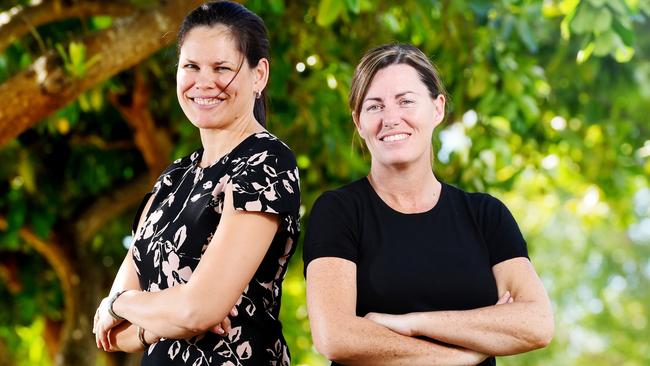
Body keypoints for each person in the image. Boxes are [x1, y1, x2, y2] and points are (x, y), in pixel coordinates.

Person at [303, 44, 554, 365]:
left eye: (406, 101)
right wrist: (462, 356)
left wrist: (411, 323)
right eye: (374, 107)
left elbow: (537, 324)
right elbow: (336, 338)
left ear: (438, 109)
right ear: (358, 121)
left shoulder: (486, 215)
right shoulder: (338, 212)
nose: (391, 118)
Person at [92, 1, 300, 365]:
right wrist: (161, 320)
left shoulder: (267, 162)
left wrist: (123, 304)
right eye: (191, 66)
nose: (204, 82)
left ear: (259, 74)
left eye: (222, 67)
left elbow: (195, 311)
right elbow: (111, 334)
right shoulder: (173, 179)